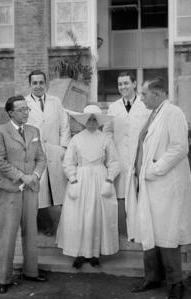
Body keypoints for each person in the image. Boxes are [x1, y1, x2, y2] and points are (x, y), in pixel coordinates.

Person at [131, 77, 191, 299]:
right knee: (149, 232)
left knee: (168, 235)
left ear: (158, 94)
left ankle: (176, 283)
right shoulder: (153, 114)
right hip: (149, 185)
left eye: (144, 93)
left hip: (165, 185)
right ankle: (152, 278)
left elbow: (180, 147)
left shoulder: (173, 113)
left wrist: (155, 169)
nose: (141, 97)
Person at [0, 95, 47, 294]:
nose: (26, 112)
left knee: (31, 232)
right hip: (10, 190)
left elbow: (41, 158)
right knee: (7, 234)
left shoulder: (34, 131)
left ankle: (31, 272)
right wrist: (23, 177)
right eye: (22, 109)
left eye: (27, 109)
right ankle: (3, 279)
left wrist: (35, 175)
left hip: (31, 190)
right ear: (11, 112)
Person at [56, 105, 120, 268]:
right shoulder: (76, 139)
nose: (92, 122)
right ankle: (79, 253)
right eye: (89, 119)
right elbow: (68, 162)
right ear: (84, 121)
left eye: (95, 119)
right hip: (81, 179)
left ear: (99, 122)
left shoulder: (106, 138)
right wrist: (73, 180)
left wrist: (109, 180)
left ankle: (94, 254)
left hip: (99, 178)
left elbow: (114, 162)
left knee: (97, 217)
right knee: (79, 217)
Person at [103, 71, 150, 240]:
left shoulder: (145, 106)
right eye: (120, 84)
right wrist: (110, 152)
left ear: (134, 84)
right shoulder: (113, 107)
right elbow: (107, 131)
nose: (123, 87)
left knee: (140, 194)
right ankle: (123, 232)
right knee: (121, 194)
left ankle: (140, 231)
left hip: (139, 157)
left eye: (126, 83)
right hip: (119, 157)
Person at [25, 70, 71, 233]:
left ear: (46, 84)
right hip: (35, 154)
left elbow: (64, 125)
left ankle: (63, 227)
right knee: (39, 191)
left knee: (58, 189)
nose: (38, 86)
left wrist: (63, 148)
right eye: (34, 83)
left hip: (54, 151)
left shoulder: (55, 102)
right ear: (30, 85)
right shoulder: (24, 104)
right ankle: (45, 225)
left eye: (41, 82)